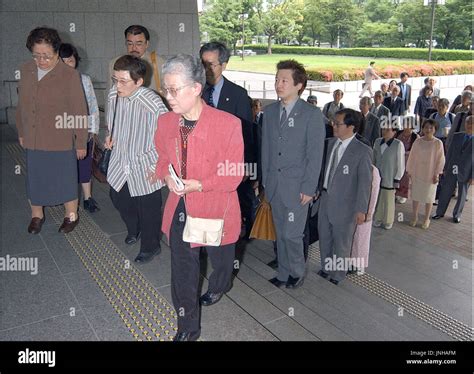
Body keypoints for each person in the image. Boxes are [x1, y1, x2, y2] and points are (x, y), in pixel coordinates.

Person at [154, 54, 244, 341]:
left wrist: (199, 185)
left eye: (174, 90)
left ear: (195, 88)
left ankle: (220, 284)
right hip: (181, 206)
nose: (168, 97)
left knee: (221, 259)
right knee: (183, 273)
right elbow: (161, 160)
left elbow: (233, 175)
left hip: (214, 207)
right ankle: (187, 327)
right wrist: (166, 176)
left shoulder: (227, 124)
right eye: (165, 90)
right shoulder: (166, 122)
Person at [16, 27, 88, 235]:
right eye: (36, 55)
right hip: (33, 136)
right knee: (36, 178)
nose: (41, 61)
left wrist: (81, 142)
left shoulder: (69, 75)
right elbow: (22, 105)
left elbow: (79, 110)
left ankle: (71, 215)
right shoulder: (27, 70)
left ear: (57, 52)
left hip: (60, 138)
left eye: (46, 56)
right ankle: (36, 215)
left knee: (64, 178)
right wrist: (21, 130)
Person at [261, 59, 325, 289]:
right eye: (277, 79)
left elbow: (315, 155)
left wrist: (309, 188)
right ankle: (283, 272)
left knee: (292, 234)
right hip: (275, 185)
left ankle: (296, 272)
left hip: (299, 187)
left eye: (284, 80)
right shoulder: (269, 113)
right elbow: (266, 150)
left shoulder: (312, 114)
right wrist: (265, 182)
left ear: (299, 85)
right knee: (280, 233)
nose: (279, 84)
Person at [105, 55, 168, 264]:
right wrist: (110, 137)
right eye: (115, 79)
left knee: (148, 209)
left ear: (139, 81)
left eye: (123, 81)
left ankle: (151, 247)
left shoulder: (152, 102)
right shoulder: (114, 94)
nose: (117, 85)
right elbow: (111, 121)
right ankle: (135, 228)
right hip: (120, 159)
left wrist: (159, 166)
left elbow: (168, 136)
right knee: (117, 197)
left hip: (145, 163)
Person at [200, 42, 257, 241]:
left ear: (224, 65)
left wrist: (248, 166)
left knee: (240, 200)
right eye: (203, 64)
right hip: (203, 165)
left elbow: (247, 134)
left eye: (212, 64)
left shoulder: (238, 95)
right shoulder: (196, 92)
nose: (207, 69)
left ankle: (243, 235)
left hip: (230, 163)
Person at [316, 109, 372, 285]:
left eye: (338, 123)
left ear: (351, 127)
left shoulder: (362, 151)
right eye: (333, 122)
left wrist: (361, 210)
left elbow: (365, 183)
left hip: (346, 204)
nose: (334, 126)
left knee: (341, 241)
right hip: (325, 198)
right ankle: (326, 268)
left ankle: (338, 274)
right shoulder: (329, 144)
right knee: (324, 236)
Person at [59, 43, 100, 213]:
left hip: (83, 131)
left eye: (70, 60)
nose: (67, 64)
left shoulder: (84, 80)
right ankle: (69, 200)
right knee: (65, 167)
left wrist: (93, 130)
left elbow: (92, 105)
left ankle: (88, 198)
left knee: (84, 165)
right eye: (62, 61)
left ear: (76, 61)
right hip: (61, 133)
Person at [432, 116, 473, 224]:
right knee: (446, 191)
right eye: (468, 123)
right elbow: (449, 153)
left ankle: (457, 215)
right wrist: (445, 168)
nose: (470, 125)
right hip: (452, 168)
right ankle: (439, 212)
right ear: (465, 124)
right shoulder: (457, 136)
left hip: (466, 171)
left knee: (462, 195)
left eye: (472, 123)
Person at [406, 119, 445, 229]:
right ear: (422, 128)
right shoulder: (418, 141)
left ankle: (426, 219)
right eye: (426, 127)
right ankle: (414, 216)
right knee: (416, 196)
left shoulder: (438, 143)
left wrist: (437, 174)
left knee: (429, 198)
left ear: (435, 130)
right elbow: (412, 156)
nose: (428, 129)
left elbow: (440, 160)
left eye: (431, 128)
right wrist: (409, 170)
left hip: (430, 174)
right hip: (418, 173)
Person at [107, 25, 164, 96]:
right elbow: (110, 94)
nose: (134, 48)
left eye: (138, 44)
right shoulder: (114, 63)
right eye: (130, 44)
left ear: (147, 44)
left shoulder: (160, 63)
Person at [372, 124, 405, 230]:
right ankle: (378, 218)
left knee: (388, 200)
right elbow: (373, 159)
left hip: (390, 177)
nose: (384, 131)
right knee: (378, 199)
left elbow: (400, 163)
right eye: (383, 129)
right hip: (377, 177)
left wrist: (397, 178)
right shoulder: (377, 142)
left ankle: (388, 220)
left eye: (387, 129)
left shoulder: (398, 144)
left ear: (394, 132)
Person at [349, 165, 380, 274]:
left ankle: (359, 265)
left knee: (361, 240)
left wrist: (369, 212)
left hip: (365, 211)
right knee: (353, 239)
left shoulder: (373, 171)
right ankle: (350, 262)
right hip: (352, 209)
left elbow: (374, 193)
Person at [395, 118, 419, 203]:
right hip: (397, 157)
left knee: (405, 177)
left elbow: (416, 149)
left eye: (408, 124)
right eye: (404, 123)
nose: (405, 125)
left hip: (408, 159)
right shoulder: (398, 133)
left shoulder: (415, 136)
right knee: (396, 174)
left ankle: (403, 195)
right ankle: (396, 192)